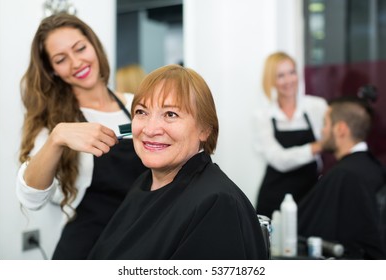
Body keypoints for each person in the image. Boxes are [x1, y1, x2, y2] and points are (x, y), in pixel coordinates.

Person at [88, 64, 268, 260]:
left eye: (170, 114)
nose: (150, 129)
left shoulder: (216, 203)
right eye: (141, 112)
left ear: (205, 129)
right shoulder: (144, 183)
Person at [16, 13, 147, 259]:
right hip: (87, 250)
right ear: (52, 70)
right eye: (61, 59)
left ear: (94, 46)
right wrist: (57, 138)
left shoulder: (134, 106)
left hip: (141, 242)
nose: (76, 62)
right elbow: (31, 198)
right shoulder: (53, 124)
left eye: (80, 48)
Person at [298, 96, 386, 259]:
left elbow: (302, 228)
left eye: (325, 123)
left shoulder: (344, 175)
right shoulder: (375, 167)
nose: (322, 131)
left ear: (340, 129)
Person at [253, 51, 328, 218]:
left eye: (292, 72)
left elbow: (332, 139)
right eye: (281, 76)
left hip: (310, 194)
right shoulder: (263, 116)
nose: (289, 80)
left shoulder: (317, 106)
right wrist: (317, 147)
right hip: (274, 197)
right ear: (271, 80)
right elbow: (279, 160)